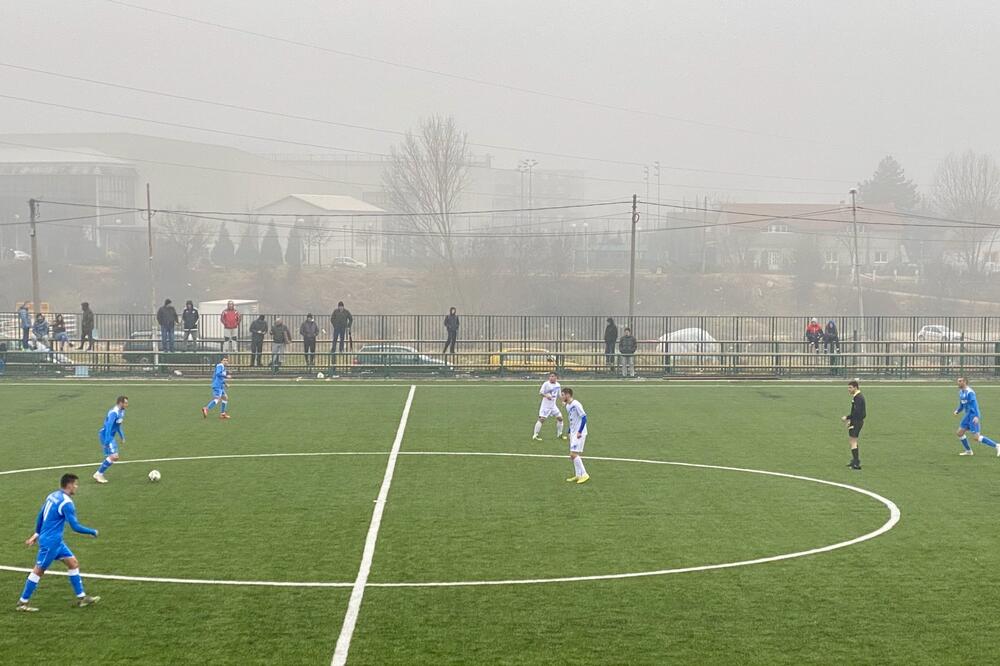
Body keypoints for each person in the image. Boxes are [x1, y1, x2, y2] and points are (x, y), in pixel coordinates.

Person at [15, 473, 100, 612]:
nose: (76, 487)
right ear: (70, 485)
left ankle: (82, 598)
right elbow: (75, 526)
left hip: (56, 542)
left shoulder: (52, 495)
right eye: (76, 484)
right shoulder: (67, 503)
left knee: (73, 563)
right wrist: (92, 531)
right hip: (51, 543)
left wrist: (36, 534)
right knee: (39, 570)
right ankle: (22, 603)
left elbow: (41, 515)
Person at [953, 377, 999, 456]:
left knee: (976, 438)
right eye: (958, 381)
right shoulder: (960, 392)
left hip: (973, 415)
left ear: (965, 382)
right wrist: (957, 411)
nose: (958, 383)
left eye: (960, 381)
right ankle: (968, 451)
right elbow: (962, 405)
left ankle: (997, 445)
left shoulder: (970, 392)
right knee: (959, 433)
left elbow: (975, 405)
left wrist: (977, 416)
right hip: (967, 415)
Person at [93, 395, 128, 484]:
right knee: (114, 456)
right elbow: (108, 426)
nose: (127, 404)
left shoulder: (122, 412)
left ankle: (99, 473)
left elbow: (118, 426)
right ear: (120, 403)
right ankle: (98, 474)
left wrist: (122, 436)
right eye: (125, 402)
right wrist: (107, 440)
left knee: (114, 457)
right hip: (106, 435)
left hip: (110, 436)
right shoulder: (114, 412)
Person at [561, 387, 590, 484]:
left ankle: (585, 474)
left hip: (579, 433)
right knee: (573, 455)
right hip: (573, 432)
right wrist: (569, 431)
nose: (562, 397)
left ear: (568, 394)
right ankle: (578, 475)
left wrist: (579, 431)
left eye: (563, 395)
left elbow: (584, 417)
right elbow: (572, 419)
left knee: (573, 454)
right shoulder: (568, 406)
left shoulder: (576, 404)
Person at [841, 379, 866, 470]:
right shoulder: (856, 397)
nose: (849, 389)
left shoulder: (858, 398)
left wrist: (847, 417)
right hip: (855, 421)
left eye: (850, 388)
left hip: (857, 421)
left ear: (855, 387)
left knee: (853, 441)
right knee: (852, 440)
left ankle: (856, 463)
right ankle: (855, 460)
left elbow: (857, 412)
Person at [533, 372, 565, 441]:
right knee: (542, 419)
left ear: (556, 377)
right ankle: (535, 435)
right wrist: (546, 396)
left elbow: (559, 395)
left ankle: (559, 434)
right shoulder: (546, 384)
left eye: (552, 376)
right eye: (550, 376)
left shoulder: (558, 385)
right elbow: (541, 392)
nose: (551, 378)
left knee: (560, 418)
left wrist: (562, 401)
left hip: (553, 406)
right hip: (545, 406)